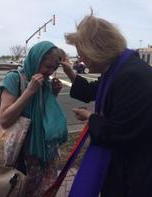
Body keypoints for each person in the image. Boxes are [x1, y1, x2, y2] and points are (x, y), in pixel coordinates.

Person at [61, 9, 152, 197]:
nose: (81, 59)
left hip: (135, 172)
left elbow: (118, 132)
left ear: (97, 49)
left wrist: (90, 117)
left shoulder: (132, 76)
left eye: (82, 54)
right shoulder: (119, 68)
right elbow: (90, 90)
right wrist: (70, 71)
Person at [0, 41, 68, 196]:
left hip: (45, 153)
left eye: (54, 68)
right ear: (35, 61)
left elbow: (42, 113)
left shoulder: (45, 81)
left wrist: (53, 94)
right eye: (47, 66)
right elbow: (4, 120)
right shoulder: (14, 78)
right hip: (20, 154)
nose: (50, 72)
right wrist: (29, 90)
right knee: (19, 190)